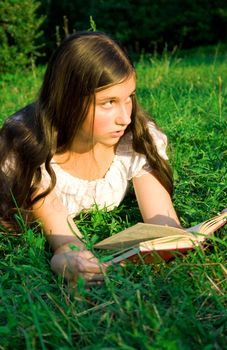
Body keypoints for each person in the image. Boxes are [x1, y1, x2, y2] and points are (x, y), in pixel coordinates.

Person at [0, 31, 180, 286]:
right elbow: (65, 241)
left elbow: (164, 223)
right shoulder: (33, 151)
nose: (125, 117)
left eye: (129, 98)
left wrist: (194, 236)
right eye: (108, 102)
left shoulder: (134, 138)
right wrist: (72, 262)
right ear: (69, 101)